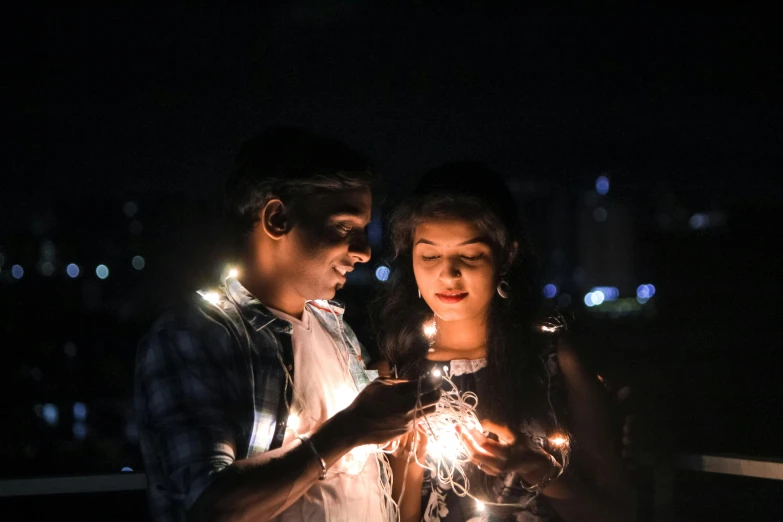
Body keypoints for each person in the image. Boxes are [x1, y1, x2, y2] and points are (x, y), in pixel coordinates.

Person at [134, 127, 440, 522]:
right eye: (345, 228)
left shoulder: (336, 329)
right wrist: (347, 431)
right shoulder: (194, 337)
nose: (364, 252)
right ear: (277, 218)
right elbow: (208, 507)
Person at [376, 161, 633, 521]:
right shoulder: (396, 376)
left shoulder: (554, 359)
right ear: (411, 259)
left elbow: (616, 514)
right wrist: (407, 466)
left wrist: (531, 463)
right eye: (430, 255)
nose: (447, 274)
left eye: (470, 255)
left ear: (507, 254)